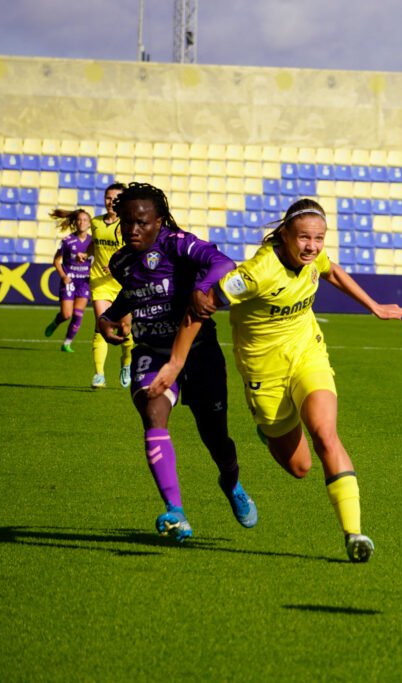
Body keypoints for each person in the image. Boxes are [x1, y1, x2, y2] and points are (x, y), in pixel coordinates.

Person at [146, 197, 402, 562]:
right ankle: (268, 434)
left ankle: (354, 534)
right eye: (304, 238)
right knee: (300, 468)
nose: (312, 246)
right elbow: (201, 306)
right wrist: (176, 363)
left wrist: (375, 307)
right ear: (284, 234)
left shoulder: (314, 255)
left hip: (307, 355)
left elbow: (330, 269)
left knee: (325, 434)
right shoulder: (255, 274)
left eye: (318, 238)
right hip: (263, 373)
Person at [96, 183, 257, 542]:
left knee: (215, 437)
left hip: (198, 349)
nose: (132, 230)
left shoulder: (177, 243)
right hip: (151, 350)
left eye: (141, 222)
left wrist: (203, 289)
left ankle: (231, 482)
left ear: (159, 221)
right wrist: (108, 317)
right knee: (153, 412)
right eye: (126, 223)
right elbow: (134, 292)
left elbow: (224, 263)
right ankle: (176, 512)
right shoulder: (121, 261)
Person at [87, 182, 133, 389]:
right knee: (101, 325)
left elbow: (135, 251)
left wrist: (118, 264)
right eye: (108, 197)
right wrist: (85, 254)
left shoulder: (128, 224)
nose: (111, 202)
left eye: (116, 198)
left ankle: (126, 365)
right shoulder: (95, 222)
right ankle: (99, 374)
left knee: (125, 329)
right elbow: (94, 243)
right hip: (99, 282)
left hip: (123, 284)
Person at [44, 208, 92, 352]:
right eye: (79, 220)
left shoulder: (93, 242)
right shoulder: (67, 241)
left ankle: (67, 343)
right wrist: (63, 276)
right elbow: (57, 261)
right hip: (70, 281)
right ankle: (56, 321)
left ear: (89, 224)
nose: (82, 222)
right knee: (66, 314)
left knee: (78, 314)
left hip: (84, 282)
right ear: (75, 222)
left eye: (85, 220)